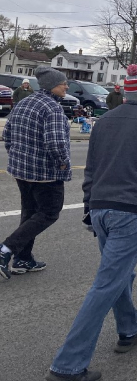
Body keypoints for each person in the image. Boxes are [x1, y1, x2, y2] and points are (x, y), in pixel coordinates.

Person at [47, 64, 137, 381]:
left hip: (101, 210)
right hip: (132, 214)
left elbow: (91, 170)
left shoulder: (103, 122)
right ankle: (67, 366)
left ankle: (130, 328)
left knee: (117, 274)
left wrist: (88, 208)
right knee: (105, 284)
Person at [0, 67, 71, 280]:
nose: (66, 86)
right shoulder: (53, 108)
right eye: (63, 84)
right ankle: (6, 250)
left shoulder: (24, 102)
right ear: (51, 86)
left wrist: (15, 155)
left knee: (30, 213)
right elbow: (56, 143)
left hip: (21, 170)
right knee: (49, 212)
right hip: (45, 173)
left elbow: (7, 134)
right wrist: (62, 165)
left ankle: (23, 259)